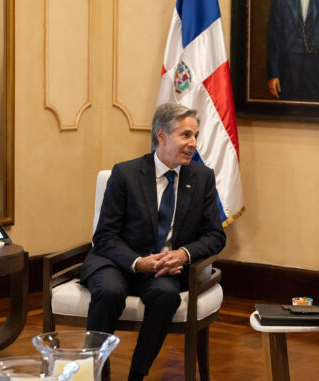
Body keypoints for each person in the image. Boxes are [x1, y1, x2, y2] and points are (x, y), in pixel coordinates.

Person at [79, 103, 227, 381]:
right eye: (185, 135)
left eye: (195, 135)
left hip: (164, 268)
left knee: (166, 295)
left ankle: (137, 374)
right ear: (161, 136)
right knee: (109, 291)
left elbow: (215, 236)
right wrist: (137, 262)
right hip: (118, 262)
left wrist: (183, 254)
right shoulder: (125, 174)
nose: (193, 143)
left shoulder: (202, 178)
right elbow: (105, 236)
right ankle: (95, 373)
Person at [267, 0, 319, 100]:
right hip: (287, 67)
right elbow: (274, 37)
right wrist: (273, 74)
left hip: (316, 67)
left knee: (314, 110)